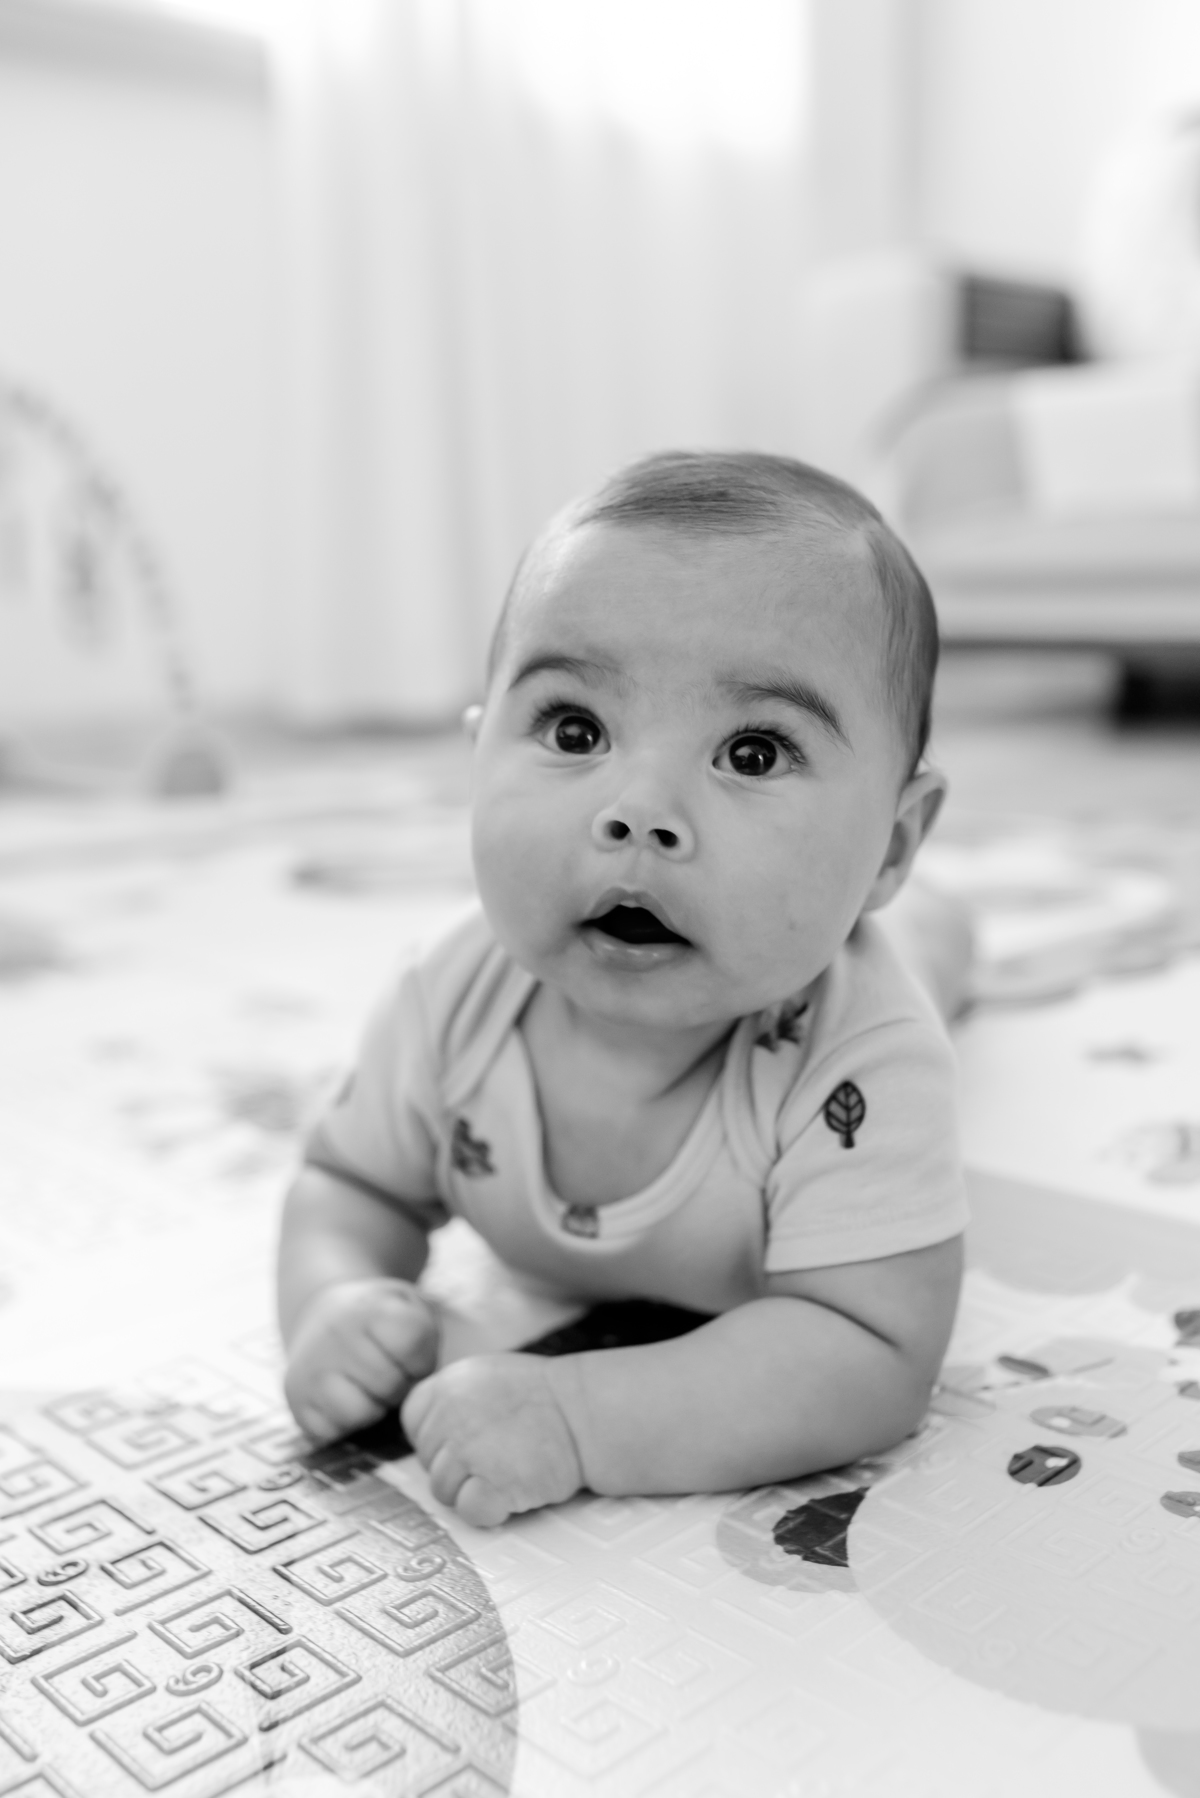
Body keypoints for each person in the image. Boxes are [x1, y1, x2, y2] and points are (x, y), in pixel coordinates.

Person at [277, 451, 969, 1528]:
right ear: (478, 756)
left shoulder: (864, 1062)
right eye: (576, 730)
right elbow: (348, 1180)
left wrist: (582, 1416)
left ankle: (943, 912)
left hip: (884, 957)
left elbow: (872, 1349)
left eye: (752, 751)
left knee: (934, 949)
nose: (639, 809)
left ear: (889, 843)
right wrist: (334, 1297)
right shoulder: (446, 998)